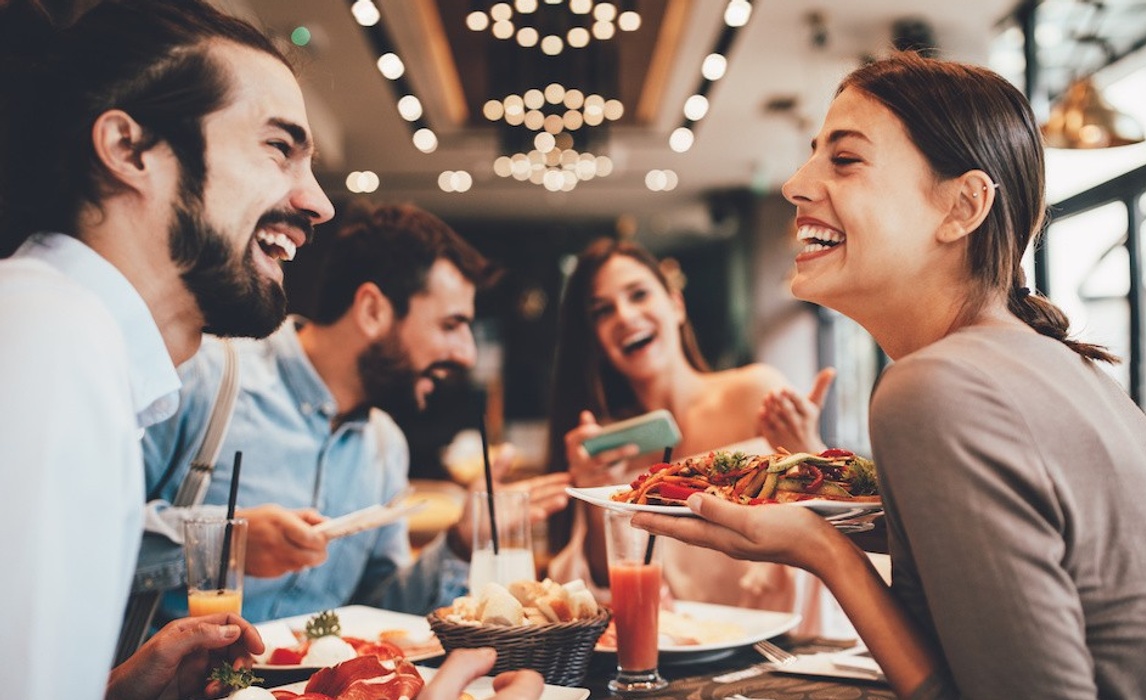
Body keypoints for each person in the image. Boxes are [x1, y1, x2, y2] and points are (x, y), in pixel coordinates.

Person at [632, 51, 1146, 699]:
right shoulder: (1068, 371)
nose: (794, 185)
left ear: (961, 207)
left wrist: (825, 551)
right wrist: (835, 514)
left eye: (844, 159)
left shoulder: (935, 386)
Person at [0, 2, 542, 698]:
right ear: (130, 150)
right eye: (278, 147)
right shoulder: (51, 342)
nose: (317, 202)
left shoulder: (78, 344)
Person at [142, 203, 571, 624]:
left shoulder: (385, 445)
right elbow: (87, 533)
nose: (467, 353)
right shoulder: (204, 377)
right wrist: (226, 543)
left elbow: (382, 613)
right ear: (372, 311)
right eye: (450, 325)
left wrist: (461, 543)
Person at [544, 238, 844, 633]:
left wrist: (810, 452)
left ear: (676, 304)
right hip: (674, 655)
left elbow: (830, 527)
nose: (625, 316)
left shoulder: (754, 394)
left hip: (784, 637)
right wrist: (591, 490)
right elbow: (608, 579)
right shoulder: (610, 448)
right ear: (595, 339)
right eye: (603, 311)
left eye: (638, 295)